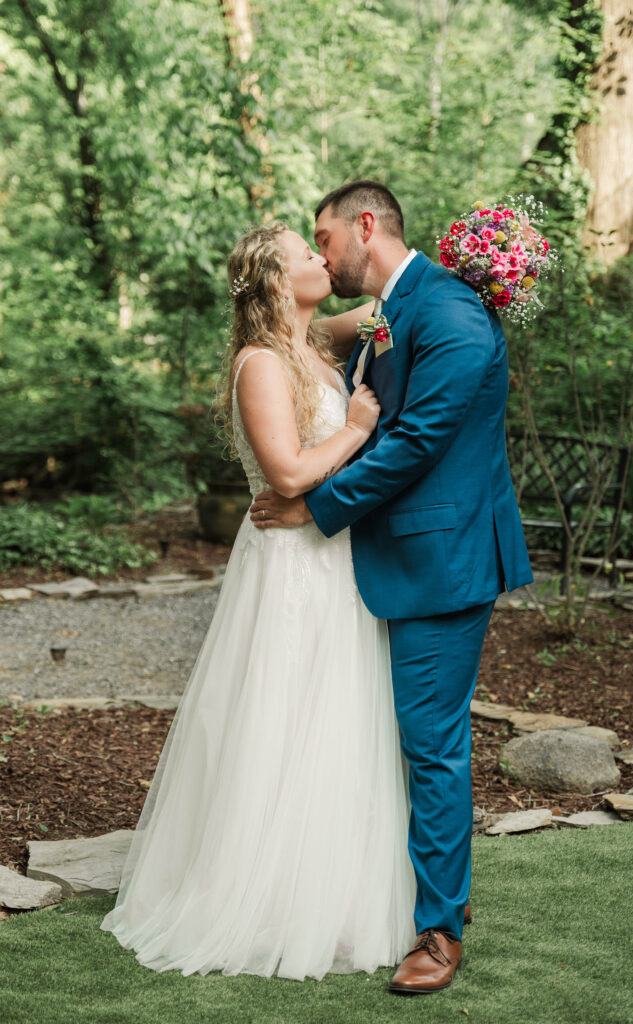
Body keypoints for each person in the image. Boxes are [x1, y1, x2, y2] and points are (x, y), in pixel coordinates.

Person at [101, 221, 416, 980]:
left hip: (331, 562)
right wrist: (357, 428)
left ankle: (329, 897)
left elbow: (384, 308)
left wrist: (468, 273)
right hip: (287, 568)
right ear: (278, 282)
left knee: (332, 720)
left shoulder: (313, 346)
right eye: (308, 253)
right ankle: (262, 901)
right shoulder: (260, 363)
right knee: (281, 719)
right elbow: (284, 473)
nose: (323, 258)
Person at [250, 181, 533, 995]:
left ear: (363, 227)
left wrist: (312, 504)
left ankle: (439, 930)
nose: (321, 251)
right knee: (396, 738)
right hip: (394, 561)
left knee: (430, 747)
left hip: (440, 565)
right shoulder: (393, 308)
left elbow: (414, 443)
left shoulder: (445, 313)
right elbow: (325, 350)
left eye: (323, 236)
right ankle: (432, 893)